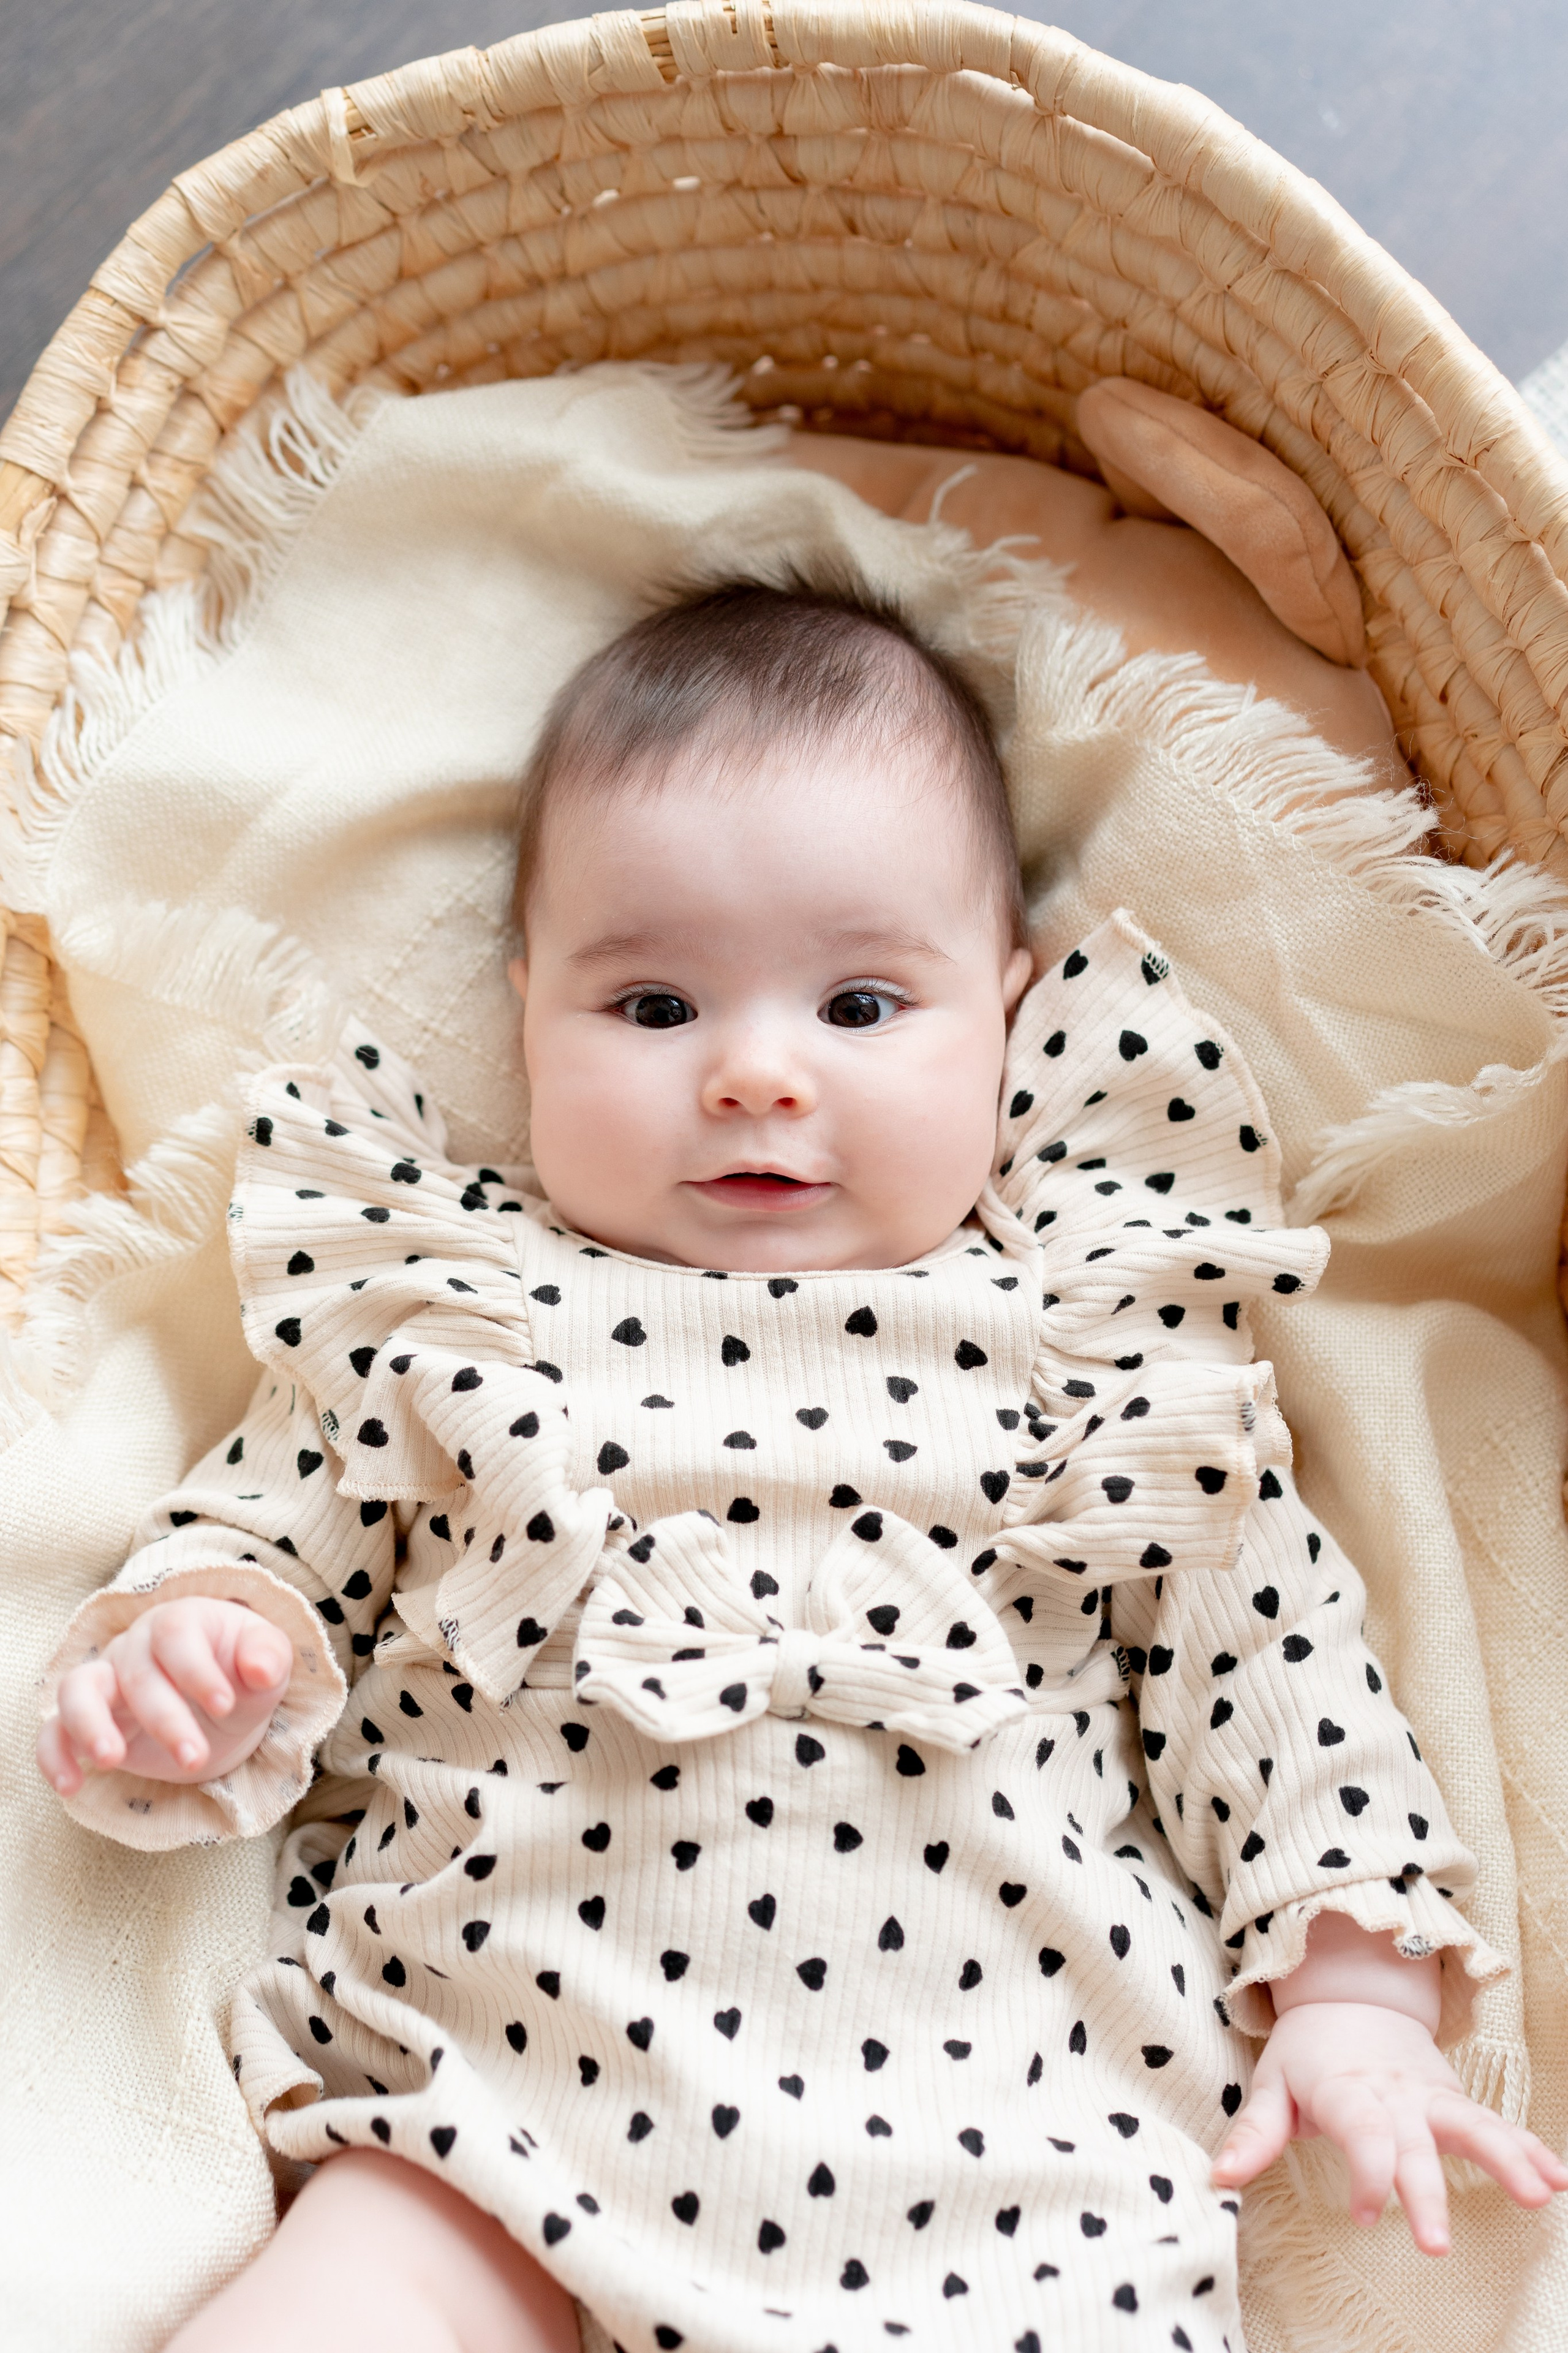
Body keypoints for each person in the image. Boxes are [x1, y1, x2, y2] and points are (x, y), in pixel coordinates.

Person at [38, 582, 1566, 2353]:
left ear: (1006, 1012)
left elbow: (1278, 1674)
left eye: (858, 1000)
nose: (758, 1072)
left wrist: (1357, 2000)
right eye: (656, 1001)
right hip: (498, 2117)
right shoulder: (450, 1309)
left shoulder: (1103, 1342)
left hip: (1021, 2168)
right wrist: (193, 1635)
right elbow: (265, 1529)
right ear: (527, 1004)